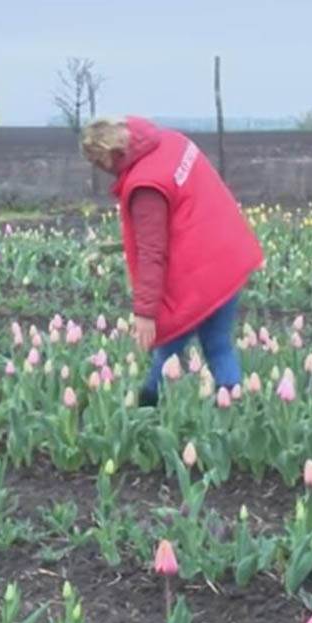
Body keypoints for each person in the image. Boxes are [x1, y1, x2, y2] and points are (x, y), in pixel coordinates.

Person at [80, 116, 263, 407]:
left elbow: (153, 251)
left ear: (110, 155)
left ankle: (144, 414)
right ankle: (236, 412)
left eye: (100, 163)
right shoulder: (171, 142)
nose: (104, 171)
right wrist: (116, 246)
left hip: (198, 275)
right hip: (228, 256)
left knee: (168, 352)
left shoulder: (145, 185)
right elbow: (180, 211)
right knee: (218, 344)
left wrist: (146, 314)